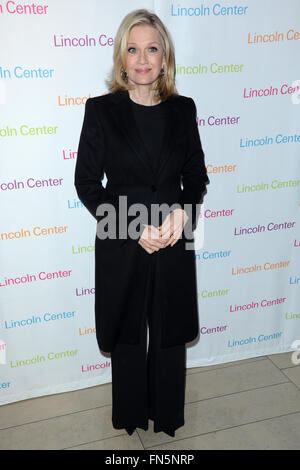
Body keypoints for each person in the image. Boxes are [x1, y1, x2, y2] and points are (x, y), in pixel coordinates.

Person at [74, 8, 209, 438]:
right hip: (122, 236)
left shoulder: (183, 110)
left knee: (169, 332)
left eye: (152, 49)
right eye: (133, 49)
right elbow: (87, 183)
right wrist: (132, 228)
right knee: (128, 331)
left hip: (172, 234)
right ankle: (130, 415)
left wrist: (184, 210)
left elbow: (195, 175)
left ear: (165, 58)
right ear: (121, 59)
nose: (143, 59)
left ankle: (167, 417)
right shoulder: (100, 111)